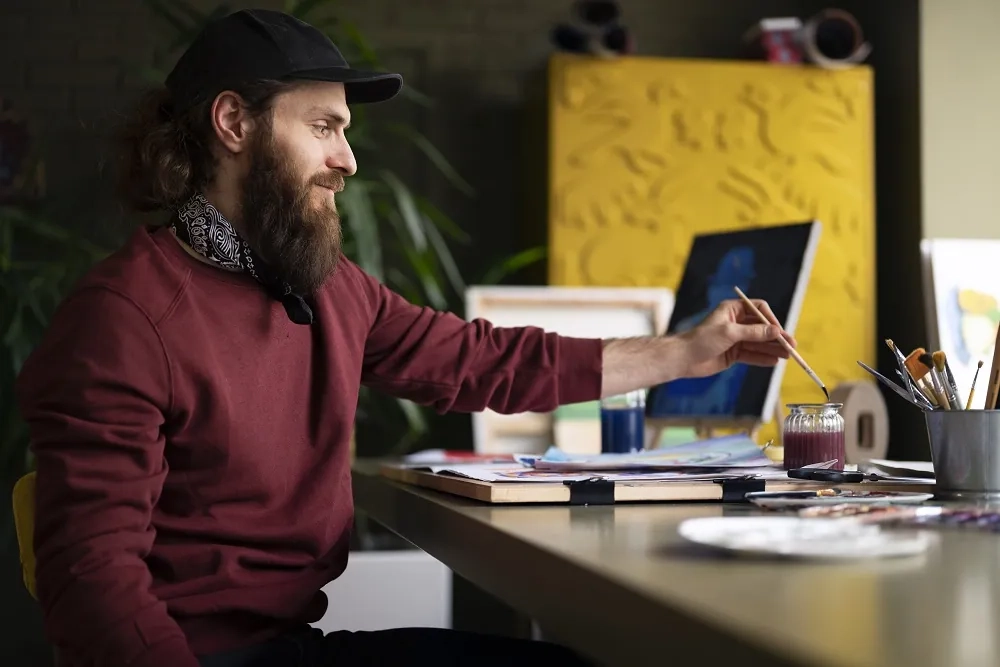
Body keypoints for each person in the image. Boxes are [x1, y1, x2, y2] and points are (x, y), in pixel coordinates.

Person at [14, 9, 796, 667]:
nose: (346, 160)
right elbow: (93, 580)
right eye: (323, 127)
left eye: (345, 131)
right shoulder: (122, 318)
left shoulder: (328, 287)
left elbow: (480, 362)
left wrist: (685, 352)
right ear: (233, 123)